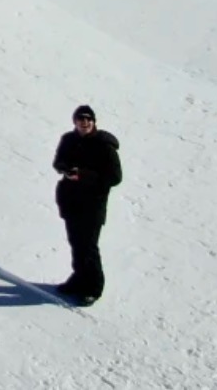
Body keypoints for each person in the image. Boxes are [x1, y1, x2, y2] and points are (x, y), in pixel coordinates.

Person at [52, 105, 123, 305]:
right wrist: (65, 169)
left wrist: (83, 175)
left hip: (93, 204)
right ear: (74, 122)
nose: (84, 123)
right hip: (71, 201)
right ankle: (78, 279)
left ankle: (93, 287)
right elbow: (58, 162)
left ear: (94, 122)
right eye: (80, 120)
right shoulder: (69, 140)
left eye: (88, 120)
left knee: (88, 246)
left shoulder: (104, 146)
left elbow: (115, 177)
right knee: (76, 244)